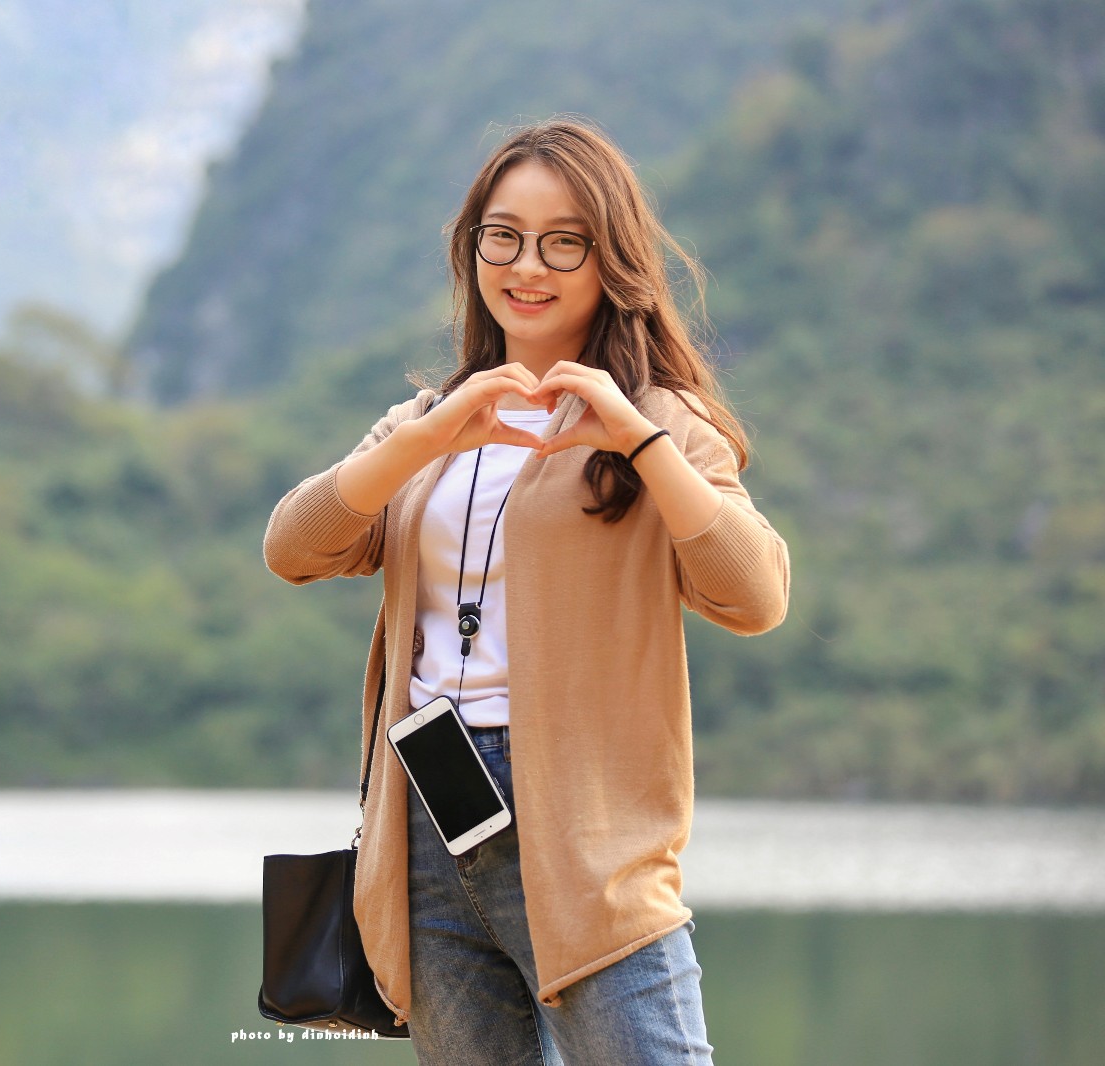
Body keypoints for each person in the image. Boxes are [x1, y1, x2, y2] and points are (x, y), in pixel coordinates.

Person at [263, 116, 791, 1065]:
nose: (526, 265)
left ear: (609, 260)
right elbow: (293, 546)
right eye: (501, 236)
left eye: (563, 241)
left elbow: (754, 594)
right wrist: (421, 442)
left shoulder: (660, 422)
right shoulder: (429, 421)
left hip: (585, 832)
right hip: (427, 806)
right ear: (472, 249)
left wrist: (635, 440)